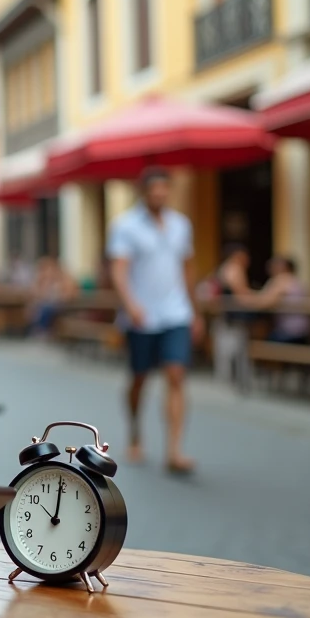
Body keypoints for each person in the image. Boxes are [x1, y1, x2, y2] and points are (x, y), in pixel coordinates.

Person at [107, 167, 204, 473]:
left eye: (165, 188)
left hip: (176, 313)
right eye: (154, 189)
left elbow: (186, 268)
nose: (160, 194)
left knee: (176, 375)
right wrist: (131, 305)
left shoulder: (180, 225)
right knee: (140, 379)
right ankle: (135, 430)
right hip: (142, 317)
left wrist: (195, 310)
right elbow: (119, 270)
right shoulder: (126, 226)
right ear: (144, 192)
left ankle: (174, 451)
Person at [237, 255, 310, 344]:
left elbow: (264, 302)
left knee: (261, 344)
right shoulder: (296, 281)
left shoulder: (283, 280)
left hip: (289, 332)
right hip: (303, 331)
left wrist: (242, 299)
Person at [208, 243, 253, 386]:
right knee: (235, 347)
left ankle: (227, 376)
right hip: (233, 316)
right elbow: (241, 293)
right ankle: (236, 376)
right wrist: (259, 299)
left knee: (226, 347)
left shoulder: (224, 268)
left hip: (226, 315)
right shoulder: (234, 269)